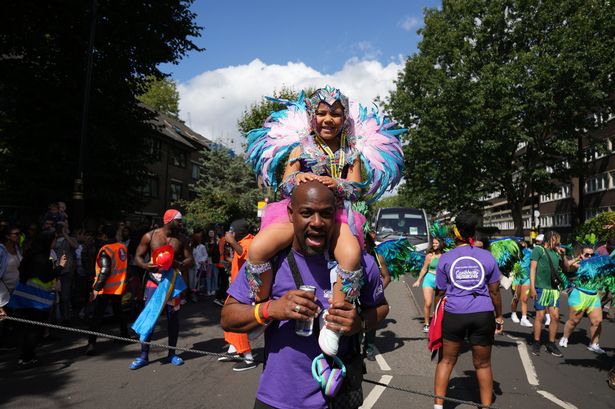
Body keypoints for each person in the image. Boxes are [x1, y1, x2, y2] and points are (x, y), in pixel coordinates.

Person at [245, 86, 403, 358]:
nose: (328, 119)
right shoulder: (300, 147)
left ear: (345, 119)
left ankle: (334, 322)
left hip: (338, 217)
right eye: (321, 113)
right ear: (311, 116)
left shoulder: (351, 152)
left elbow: (357, 189)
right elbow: (284, 184)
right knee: (258, 248)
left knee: (351, 254)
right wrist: (298, 180)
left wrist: (337, 184)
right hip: (298, 217)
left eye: (336, 113)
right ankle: (262, 304)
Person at [221, 181, 389, 409]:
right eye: (307, 213)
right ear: (291, 214)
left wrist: (358, 323)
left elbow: (381, 307)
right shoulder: (270, 260)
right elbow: (228, 317)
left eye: (326, 214)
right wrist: (271, 309)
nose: (317, 223)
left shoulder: (361, 263)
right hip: (277, 399)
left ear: (335, 215)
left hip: (337, 398)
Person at [433, 211, 503, 409]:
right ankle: (486, 406)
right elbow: (495, 292)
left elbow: (440, 292)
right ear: (474, 232)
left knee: (446, 361)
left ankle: (438, 407)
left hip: (454, 313)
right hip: (482, 314)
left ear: (455, 232)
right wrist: (499, 317)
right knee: (483, 364)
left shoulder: (446, 258)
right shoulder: (487, 257)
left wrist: (434, 316)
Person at [129, 209, 193, 369]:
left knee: (173, 319)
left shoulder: (182, 239)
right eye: (178, 220)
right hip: (153, 282)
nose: (181, 223)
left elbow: (190, 259)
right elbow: (137, 256)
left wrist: (181, 264)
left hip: (172, 282)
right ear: (169, 220)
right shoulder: (150, 236)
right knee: (150, 317)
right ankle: (143, 355)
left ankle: (172, 353)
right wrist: (145, 265)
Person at [8, 231, 67, 368]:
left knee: (30, 329)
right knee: (34, 330)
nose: (55, 243)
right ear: (48, 241)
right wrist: (60, 266)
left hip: (25, 297)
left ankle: (27, 355)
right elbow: (46, 277)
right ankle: (26, 359)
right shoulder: (42, 257)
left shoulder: (31, 254)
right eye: (54, 240)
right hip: (37, 299)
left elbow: (22, 270)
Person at [84, 225, 129, 355]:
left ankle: (91, 343)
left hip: (106, 288)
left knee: (97, 315)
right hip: (118, 286)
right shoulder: (122, 247)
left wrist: (96, 288)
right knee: (119, 311)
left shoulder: (106, 249)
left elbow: (105, 270)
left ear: (104, 236)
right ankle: (125, 335)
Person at [219, 219, 257, 371]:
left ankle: (248, 359)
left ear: (238, 232)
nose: (230, 233)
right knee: (228, 318)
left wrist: (232, 242)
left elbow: (246, 255)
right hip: (237, 288)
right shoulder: (243, 241)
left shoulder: (248, 243)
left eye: (232, 231)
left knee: (237, 320)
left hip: (243, 291)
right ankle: (234, 350)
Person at [529, 230, 573, 357]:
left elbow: (566, 268)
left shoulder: (556, 252)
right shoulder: (538, 250)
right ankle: (536, 342)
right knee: (540, 316)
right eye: (556, 240)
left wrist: (564, 256)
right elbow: (532, 269)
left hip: (554, 290)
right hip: (541, 288)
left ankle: (551, 343)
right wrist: (532, 288)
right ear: (549, 239)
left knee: (554, 317)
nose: (558, 242)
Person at [558, 246, 606, 354]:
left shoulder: (597, 266)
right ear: (581, 255)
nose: (589, 256)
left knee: (597, 321)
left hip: (593, 296)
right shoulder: (578, 265)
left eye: (591, 254)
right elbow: (566, 267)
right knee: (574, 321)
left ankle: (594, 344)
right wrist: (577, 259)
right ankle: (565, 337)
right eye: (586, 254)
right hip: (578, 294)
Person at [414, 233, 446, 333]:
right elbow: (424, 269)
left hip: (440, 281)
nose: (434, 245)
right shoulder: (429, 256)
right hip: (429, 279)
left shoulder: (445, 256)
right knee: (428, 303)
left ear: (441, 244)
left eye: (436, 243)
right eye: (433, 243)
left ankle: (437, 322)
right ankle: (427, 323)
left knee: (439, 305)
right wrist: (418, 280)